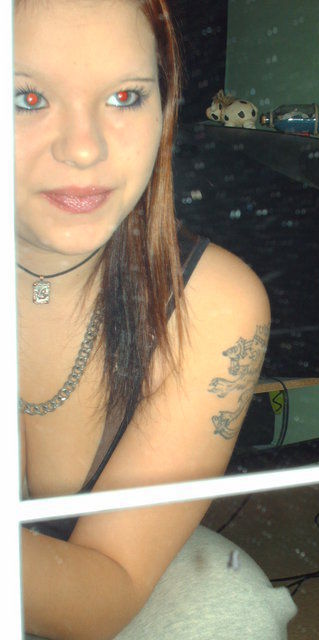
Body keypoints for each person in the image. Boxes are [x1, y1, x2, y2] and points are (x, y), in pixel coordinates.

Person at [15, 1, 297, 638]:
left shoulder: (212, 304)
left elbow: (108, 587)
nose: (84, 148)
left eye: (124, 96)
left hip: (79, 576)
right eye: (27, 98)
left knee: (229, 610)